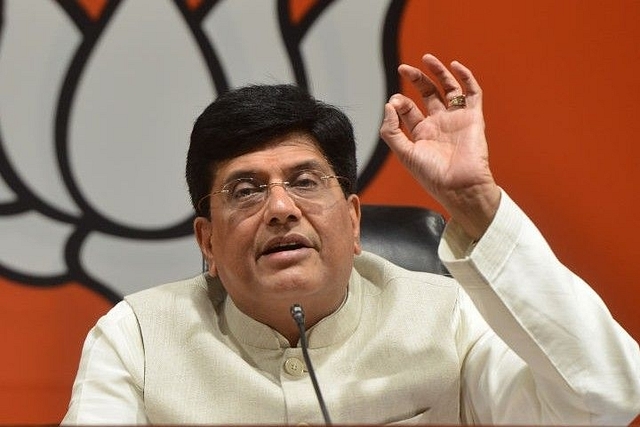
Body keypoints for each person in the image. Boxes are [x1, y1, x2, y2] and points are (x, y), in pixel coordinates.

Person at [62, 54, 640, 425]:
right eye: (246, 190)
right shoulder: (135, 337)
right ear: (207, 243)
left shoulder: (450, 319)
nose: (281, 208)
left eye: (305, 181)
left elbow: (606, 399)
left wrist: (473, 200)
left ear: (355, 221)